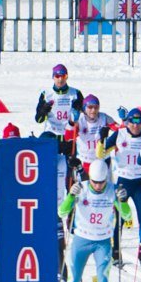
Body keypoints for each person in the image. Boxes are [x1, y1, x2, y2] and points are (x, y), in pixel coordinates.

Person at [60, 159, 134, 282]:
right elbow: (62, 212)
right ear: (90, 178)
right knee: (73, 280)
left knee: (104, 280)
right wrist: (70, 196)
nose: (99, 186)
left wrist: (123, 201)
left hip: (102, 241)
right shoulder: (81, 188)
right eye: (95, 182)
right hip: (82, 239)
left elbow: (127, 216)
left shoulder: (112, 190)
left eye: (102, 182)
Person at [109, 108, 141, 270]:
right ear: (127, 122)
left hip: (140, 182)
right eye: (132, 121)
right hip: (123, 181)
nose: (135, 125)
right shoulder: (120, 134)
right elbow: (102, 150)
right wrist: (102, 138)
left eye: (139, 121)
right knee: (119, 218)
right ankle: (115, 252)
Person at [35, 64, 84, 192]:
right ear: (53, 77)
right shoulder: (46, 94)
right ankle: (44, 190)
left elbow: (86, 115)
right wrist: (44, 110)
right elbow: (38, 120)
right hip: (52, 133)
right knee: (46, 160)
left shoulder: (75, 93)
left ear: (67, 77)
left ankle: (71, 197)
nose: (60, 80)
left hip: (69, 133)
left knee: (70, 168)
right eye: (57, 76)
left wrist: (78, 109)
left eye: (63, 76)